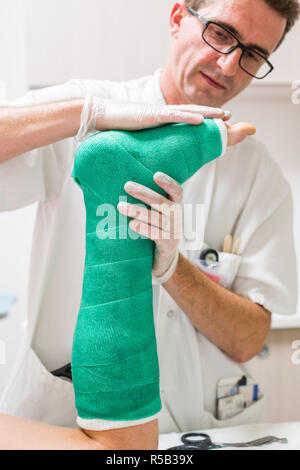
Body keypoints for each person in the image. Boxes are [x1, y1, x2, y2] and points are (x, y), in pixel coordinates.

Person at [0, 0, 298, 450]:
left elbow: (249, 339)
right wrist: (86, 114)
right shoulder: (88, 112)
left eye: (254, 54)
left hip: (201, 426)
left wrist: (174, 268)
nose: (230, 63)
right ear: (178, 18)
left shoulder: (256, 175)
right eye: (221, 33)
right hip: (67, 421)